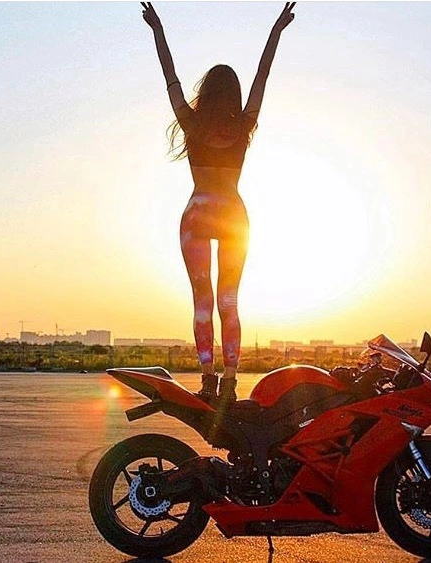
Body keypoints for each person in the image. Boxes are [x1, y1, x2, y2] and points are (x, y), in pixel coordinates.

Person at [141, 2, 296, 404]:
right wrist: (276, 31)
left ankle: (208, 378)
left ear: (206, 92)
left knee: (202, 302)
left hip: (197, 214)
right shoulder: (244, 125)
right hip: (232, 216)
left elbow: (170, 78)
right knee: (229, 301)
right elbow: (263, 74)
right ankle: (229, 380)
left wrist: (157, 30)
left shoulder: (192, 125)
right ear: (234, 94)